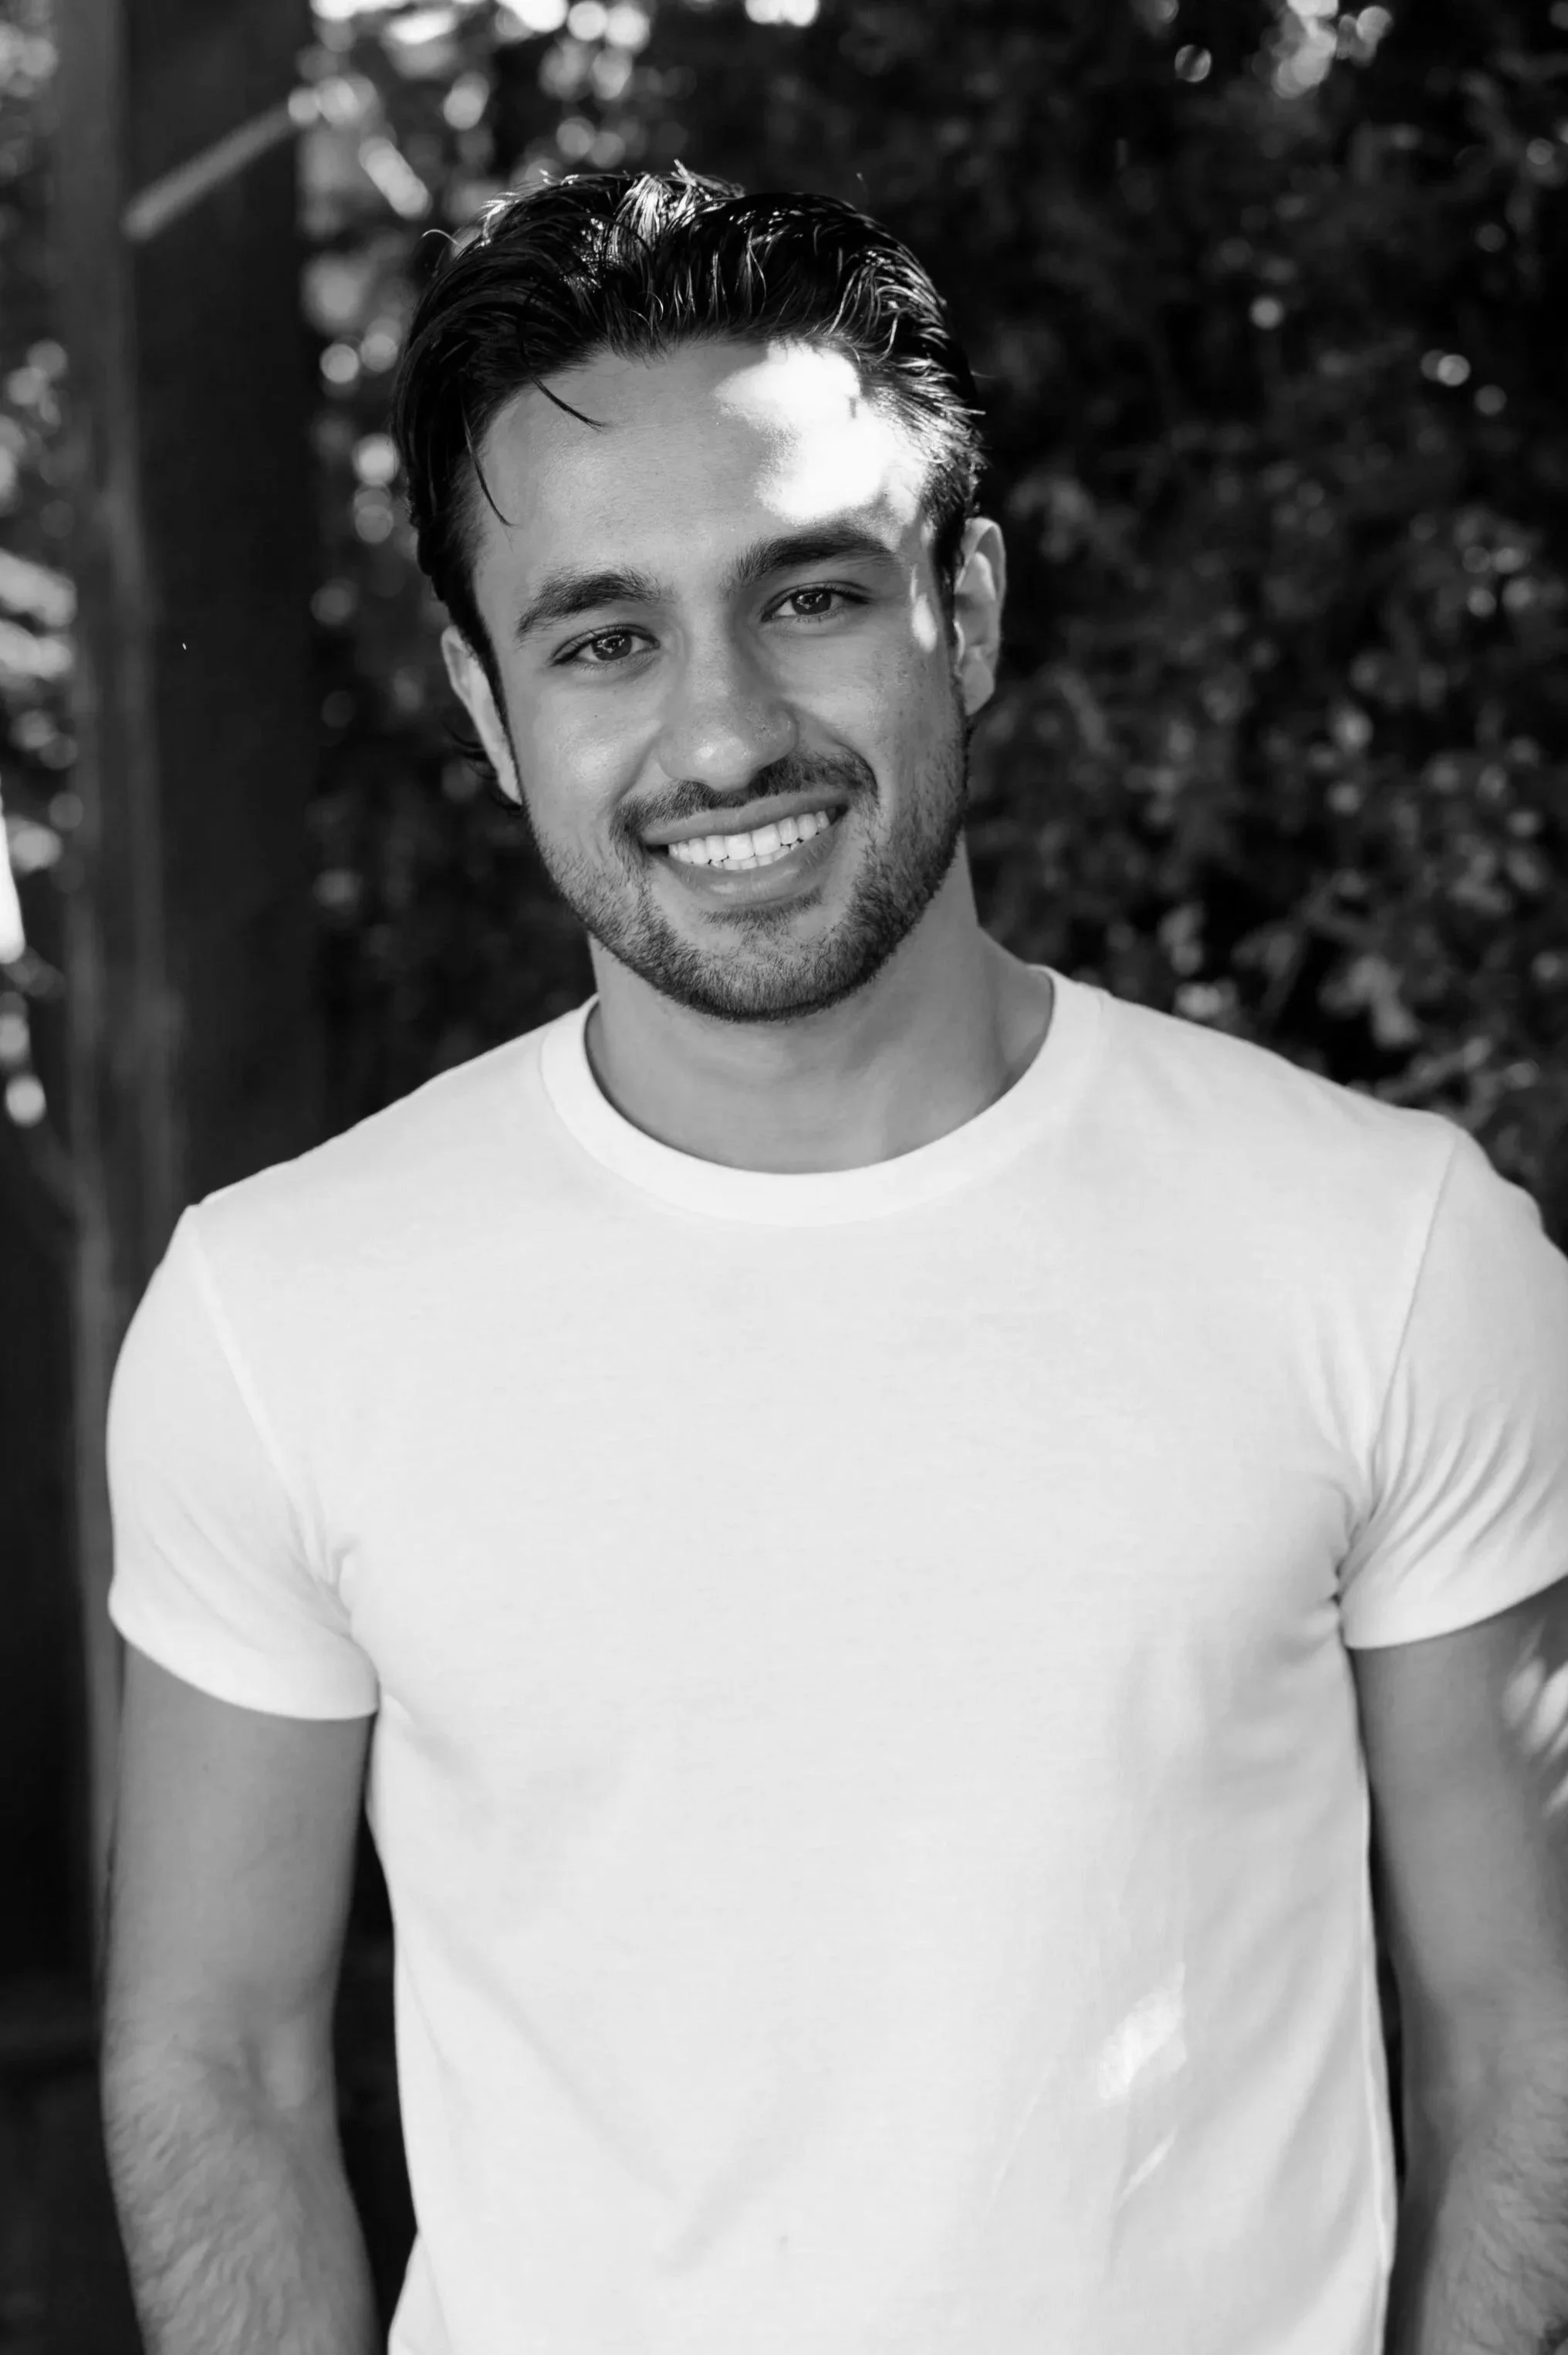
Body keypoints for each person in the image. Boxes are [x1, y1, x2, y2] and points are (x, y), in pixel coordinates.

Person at [100, 167, 1568, 2355]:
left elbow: (1516, 2028)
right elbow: (215, 2061)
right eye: (602, 637)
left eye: (808, 596)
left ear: (964, 607)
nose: (720, 734)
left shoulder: (1386, 1246)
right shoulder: (277, 1313)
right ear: (491, 710)